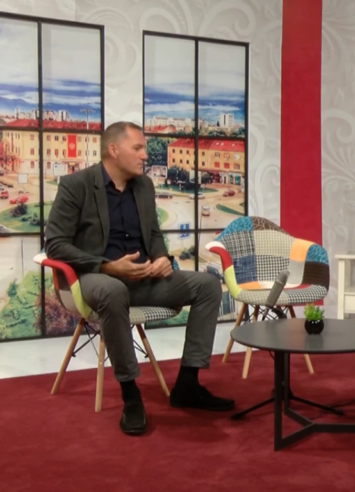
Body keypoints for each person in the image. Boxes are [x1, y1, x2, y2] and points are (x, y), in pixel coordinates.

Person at [45, 121, 234, 436]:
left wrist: (162, 258)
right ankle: (131, 396)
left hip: (144, 279)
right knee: (113, 290)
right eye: (138, 148)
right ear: (113, 150)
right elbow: (55, 244)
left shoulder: (144, 185)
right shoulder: (76, 185)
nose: (145, 155)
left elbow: (154, 233)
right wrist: (107, 266)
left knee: (208, 285)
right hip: (94, 279)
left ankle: (188, 384)